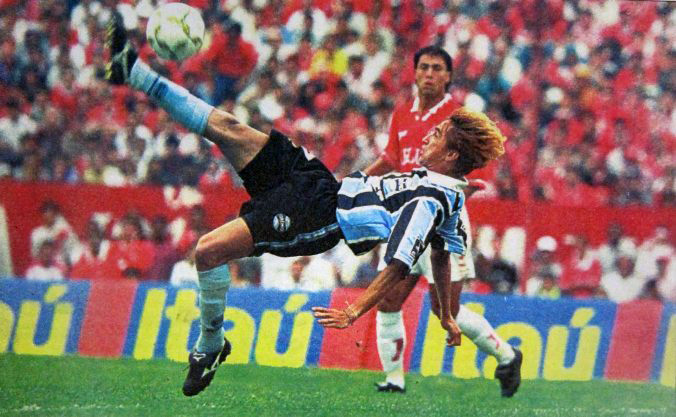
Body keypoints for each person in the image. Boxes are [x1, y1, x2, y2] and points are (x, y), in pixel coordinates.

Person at [105, 15, 505, 397]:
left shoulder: (430, 200)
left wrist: (353, 312)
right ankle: (134, 71)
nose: (428, 138)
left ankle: (210, 345)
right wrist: (446, 314)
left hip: (318, 218)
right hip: (318, 182)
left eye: (437, 135)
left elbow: (399, 265)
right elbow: (441, 253)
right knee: (229, 128)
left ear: (451, 156)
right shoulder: (447, 194)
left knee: (208, 251)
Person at [362, 45, 521, 396]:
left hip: (442, 221)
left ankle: (508, 356)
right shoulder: (402, 113)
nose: (429, 74)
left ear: (448, 76)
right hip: (406, 219)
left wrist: (465, 190)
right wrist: (356, 180)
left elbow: (478, 163)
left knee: (445, 310)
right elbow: (391, 158)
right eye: (423, 67)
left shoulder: (459, 116)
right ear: (415, 72)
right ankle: (393, 380)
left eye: (436, 68)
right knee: (387, 300)